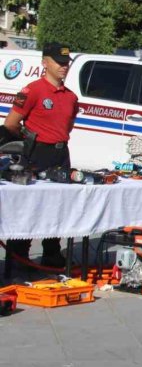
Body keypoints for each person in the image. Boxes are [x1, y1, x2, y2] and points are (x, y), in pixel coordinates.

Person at [2, 43, 78, 269]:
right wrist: (28, 143)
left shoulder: (71, 97)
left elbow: (68, 126)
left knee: (57, 206)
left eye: (67, 63)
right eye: (59, 62)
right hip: (37, 153)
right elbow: (11, 124)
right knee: (29, 207)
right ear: (45, 63)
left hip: (60, 153)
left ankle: (52, 254)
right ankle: (19, 258)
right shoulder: (33, 90)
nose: (64, 67)